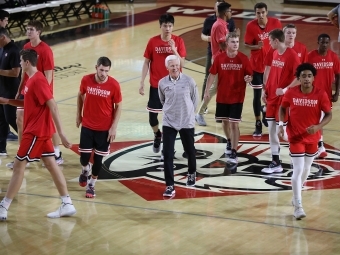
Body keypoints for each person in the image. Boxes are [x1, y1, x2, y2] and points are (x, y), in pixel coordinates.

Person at [0, 49, 76, 221]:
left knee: (19, 167)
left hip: (35, 132)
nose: (19, 64)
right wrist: (7, 101)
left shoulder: (38, 81)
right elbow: (28, 102)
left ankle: (3, 206)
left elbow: (53, 106)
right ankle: (67, 203)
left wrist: (62, 134)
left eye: (20, 61)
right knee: (51, 164)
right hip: (39, 133)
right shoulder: (31, 80)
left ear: (27, 63)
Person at [278, 63, 332, 219]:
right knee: (298, 169)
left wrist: (318, 127)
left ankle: (296, 195)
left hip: (312, 138)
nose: (307, 79)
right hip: (295, 136)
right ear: (299, 78)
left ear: (313, 78)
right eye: (303, 76)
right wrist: (281, 125)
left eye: (309, 76)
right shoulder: (291, 93)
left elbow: (328, 114)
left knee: (307, 168)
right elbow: (283, 108)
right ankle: (298, 206)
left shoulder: (321, 94)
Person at [7, 20, 62, 169]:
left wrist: (45, 95)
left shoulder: (46, 50)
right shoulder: (25, 47)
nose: (28, 31)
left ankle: (57, 152)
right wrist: (19, 89)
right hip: (27, 89)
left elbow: (49, 76)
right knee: (20, 119)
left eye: (31, 29)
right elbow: (24, 73)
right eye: (27, 29)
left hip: (42, 92)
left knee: (48, 123)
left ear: (38, 32)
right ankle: (23, 154)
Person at [139, 14, 186, 155]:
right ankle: (157, 134)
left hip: (174, 86)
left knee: (171, 118)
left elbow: (182, 63)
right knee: (152, 117)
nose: (167, 28)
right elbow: (146, 62)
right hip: (156, 86)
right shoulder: (152, 42)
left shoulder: (178, 41)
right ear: (160, 26)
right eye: (165, 25)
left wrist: (174, 50)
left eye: (170, 26)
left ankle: (169, 145)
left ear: (173, 27)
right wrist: (141, 82)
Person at [77, 57, 122, 198]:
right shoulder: (86, 80)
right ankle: (85, 169)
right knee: (84, 157)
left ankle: (91, 184)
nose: (103, 73)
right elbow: (80, 95)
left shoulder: (114, 85)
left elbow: (119, 106)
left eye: (106, 71)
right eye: (101, 70)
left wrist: (113, 127)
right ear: (96, 67)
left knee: (98, 160)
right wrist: (78, 114)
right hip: (88, 125)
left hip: (104, 129)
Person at [204, 32, 252, 162]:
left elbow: (250, 75)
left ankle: (234, 151)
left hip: (237, 97)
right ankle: (229, 141)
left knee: (234, 124)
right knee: (225, 122)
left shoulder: (243, 58)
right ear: (227, 43)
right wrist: (206, 90)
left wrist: (249, 78)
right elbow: (212, 75)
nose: (236, 44)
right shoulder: (219, 58)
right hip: (223, 96)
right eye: (233, 42)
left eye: (237, 42)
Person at [158, 55, 198, 197]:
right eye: (172, 66)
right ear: (167, 67)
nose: (175, 68)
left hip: (186, 121)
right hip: (169, 122)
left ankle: (191, 173)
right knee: (168, 153)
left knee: (190, 151)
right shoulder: (162, 83)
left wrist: (190, 114)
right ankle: (170, 185)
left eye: (176, 65)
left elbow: (194, 99)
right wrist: (171, 111)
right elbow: (163, 100)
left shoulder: (189, 81)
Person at [261, 29, 300, 174]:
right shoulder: (275, 53)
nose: (269, 44)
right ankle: (275, 162)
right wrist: (265, 91)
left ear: (276, 40)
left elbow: (299, 78)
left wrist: (284, 90)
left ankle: (298, 155)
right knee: (271, 131)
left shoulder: (292, 56)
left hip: (283, 100)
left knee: (282, 133)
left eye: (270, 41)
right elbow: (272, 74)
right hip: (271, 98)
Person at [196, 0, 238, 126]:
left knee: (224, 87)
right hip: (220, 60)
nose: (231, 13)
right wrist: (233, 43)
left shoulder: (223, 24)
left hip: (223, 59)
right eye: (230, 11)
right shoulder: (219, 25)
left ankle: (222, 113)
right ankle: (200, 113)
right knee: (214, 88)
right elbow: (222, 44)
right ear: (225, 12)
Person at [244, 2, 281, 137]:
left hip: (272, 66)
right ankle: (258, 122)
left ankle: (265, 110)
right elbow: (247, 45)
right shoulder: (250, 26)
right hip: (256, 66)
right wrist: (256, 46)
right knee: (257, 95)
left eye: (263, 12)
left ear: (267, 12)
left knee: (271, 94)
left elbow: (280, 42)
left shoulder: (276, 22)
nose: (260, 15)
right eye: (258, 13)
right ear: (255, 14)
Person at [306, 34, 340, 158]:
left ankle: (318, 145)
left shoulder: (333, 57)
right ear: (318, 42)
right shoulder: (310, 56)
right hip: (312, 94)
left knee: (321, 119)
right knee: (314, 119)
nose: (324, 45)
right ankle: (319, 145)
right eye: (322, 42)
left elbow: (338, 74)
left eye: (327, 42)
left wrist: (336, 92)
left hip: (326, 95)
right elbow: (303, 74)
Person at [0, 28, 19, 156]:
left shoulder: (14, 50)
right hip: (2, 89)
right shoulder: (3, 49)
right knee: (1, 120)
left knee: (12, 119)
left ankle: (34, 142)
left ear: (2, 37)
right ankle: (1, 149)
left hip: (11, 92)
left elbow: (16, 72)